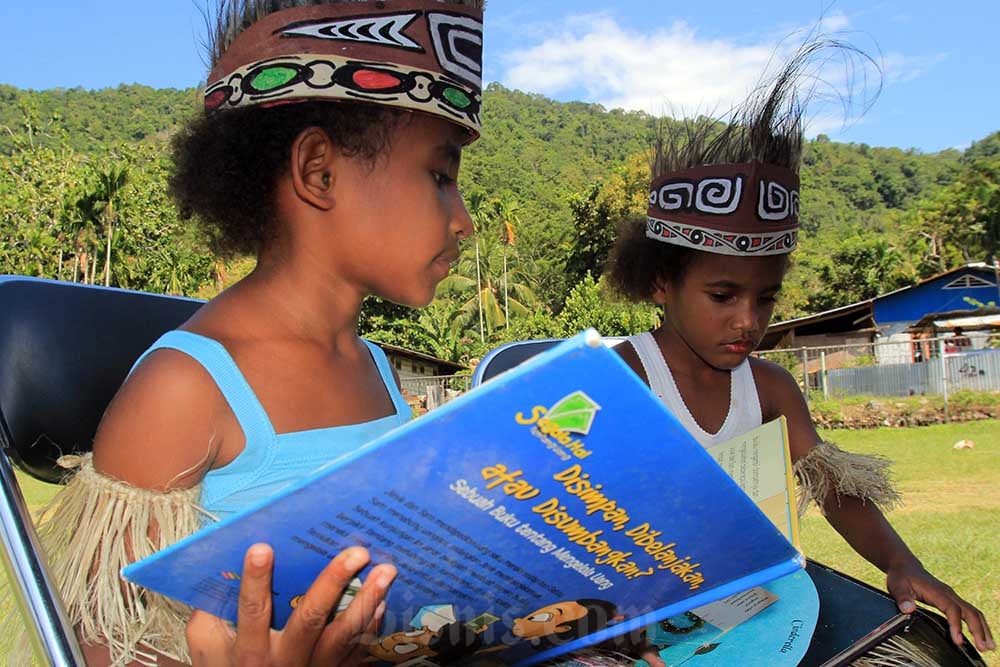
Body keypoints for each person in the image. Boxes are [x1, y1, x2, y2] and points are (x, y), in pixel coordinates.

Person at [28, 0, 485, 664]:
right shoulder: (183, 389)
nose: (464, 220)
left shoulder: (378, 369)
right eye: (441, 177)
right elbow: (107, 646)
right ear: (318, 171)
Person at [602, 44, 995, 661]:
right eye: (723, 294)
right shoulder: (621, 378)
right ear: (660, 284)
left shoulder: (771, 388)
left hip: (754, 616)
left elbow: (833, 488)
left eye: (766, 297)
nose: (749, 320)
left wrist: (902, 562)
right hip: (632, 625)